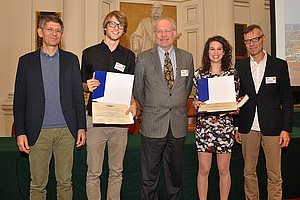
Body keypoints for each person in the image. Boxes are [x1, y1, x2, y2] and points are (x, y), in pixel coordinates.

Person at [13, 15, 87, 200]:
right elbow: (19, 100)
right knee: (37, 185)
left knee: (65, 182)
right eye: (49, 29)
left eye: (58, 31)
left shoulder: (71, 60)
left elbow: (78, 97)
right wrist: (20, 131)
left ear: (62, 35)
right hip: (38, 132)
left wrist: (81, 127)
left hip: (66, 131)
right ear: (40, 32)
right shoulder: (26, 61)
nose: (54, 33)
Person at [133, 16, 194, 200]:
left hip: (178, 124)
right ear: (154, 35)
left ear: (174, 34)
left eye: (167, 31)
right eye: (159, 31)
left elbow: (187, 87)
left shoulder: (187, 57)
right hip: (153, 124)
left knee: (174, 177)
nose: (163, 35)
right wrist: (152, 108)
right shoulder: (144, 58)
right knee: (149, 178)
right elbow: (138, 89)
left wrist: (173, 105)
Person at [81, 10, 136, 200]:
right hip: (95, 119)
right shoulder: (89, 53)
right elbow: (80, 84)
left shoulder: (129, 56)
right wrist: (87, 86)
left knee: (117, 171)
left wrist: (134, 103)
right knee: (93, 172)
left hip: (119, 120)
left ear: (123, 31)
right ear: (105, 26)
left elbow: (129, 87)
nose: (116, 28)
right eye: (112, 24)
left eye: (120, 26)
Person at [235, 24, 293, 200]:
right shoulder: (240, 66)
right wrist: (236, 127)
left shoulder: (279, 65)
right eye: (247, 41)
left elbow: (287, 99)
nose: (252, 44)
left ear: (263, 39)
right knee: (248, 172)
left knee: (274, 174)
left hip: (273, 128)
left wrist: (286, 129)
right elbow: (237, 97)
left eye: (255, 39)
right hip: (248, 127)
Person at [192, 36, 240, 200]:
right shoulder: (199, 74)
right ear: (207, 52)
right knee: (204, 170)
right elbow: (195, 101)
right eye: (212, 49)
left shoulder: (232, 74)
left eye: (219, 49)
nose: (215, 52)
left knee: (223, 170)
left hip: (225, 128)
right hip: (205, 128)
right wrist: (194, 104)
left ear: (225, 51)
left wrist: (235, 109)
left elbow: (235, 101)